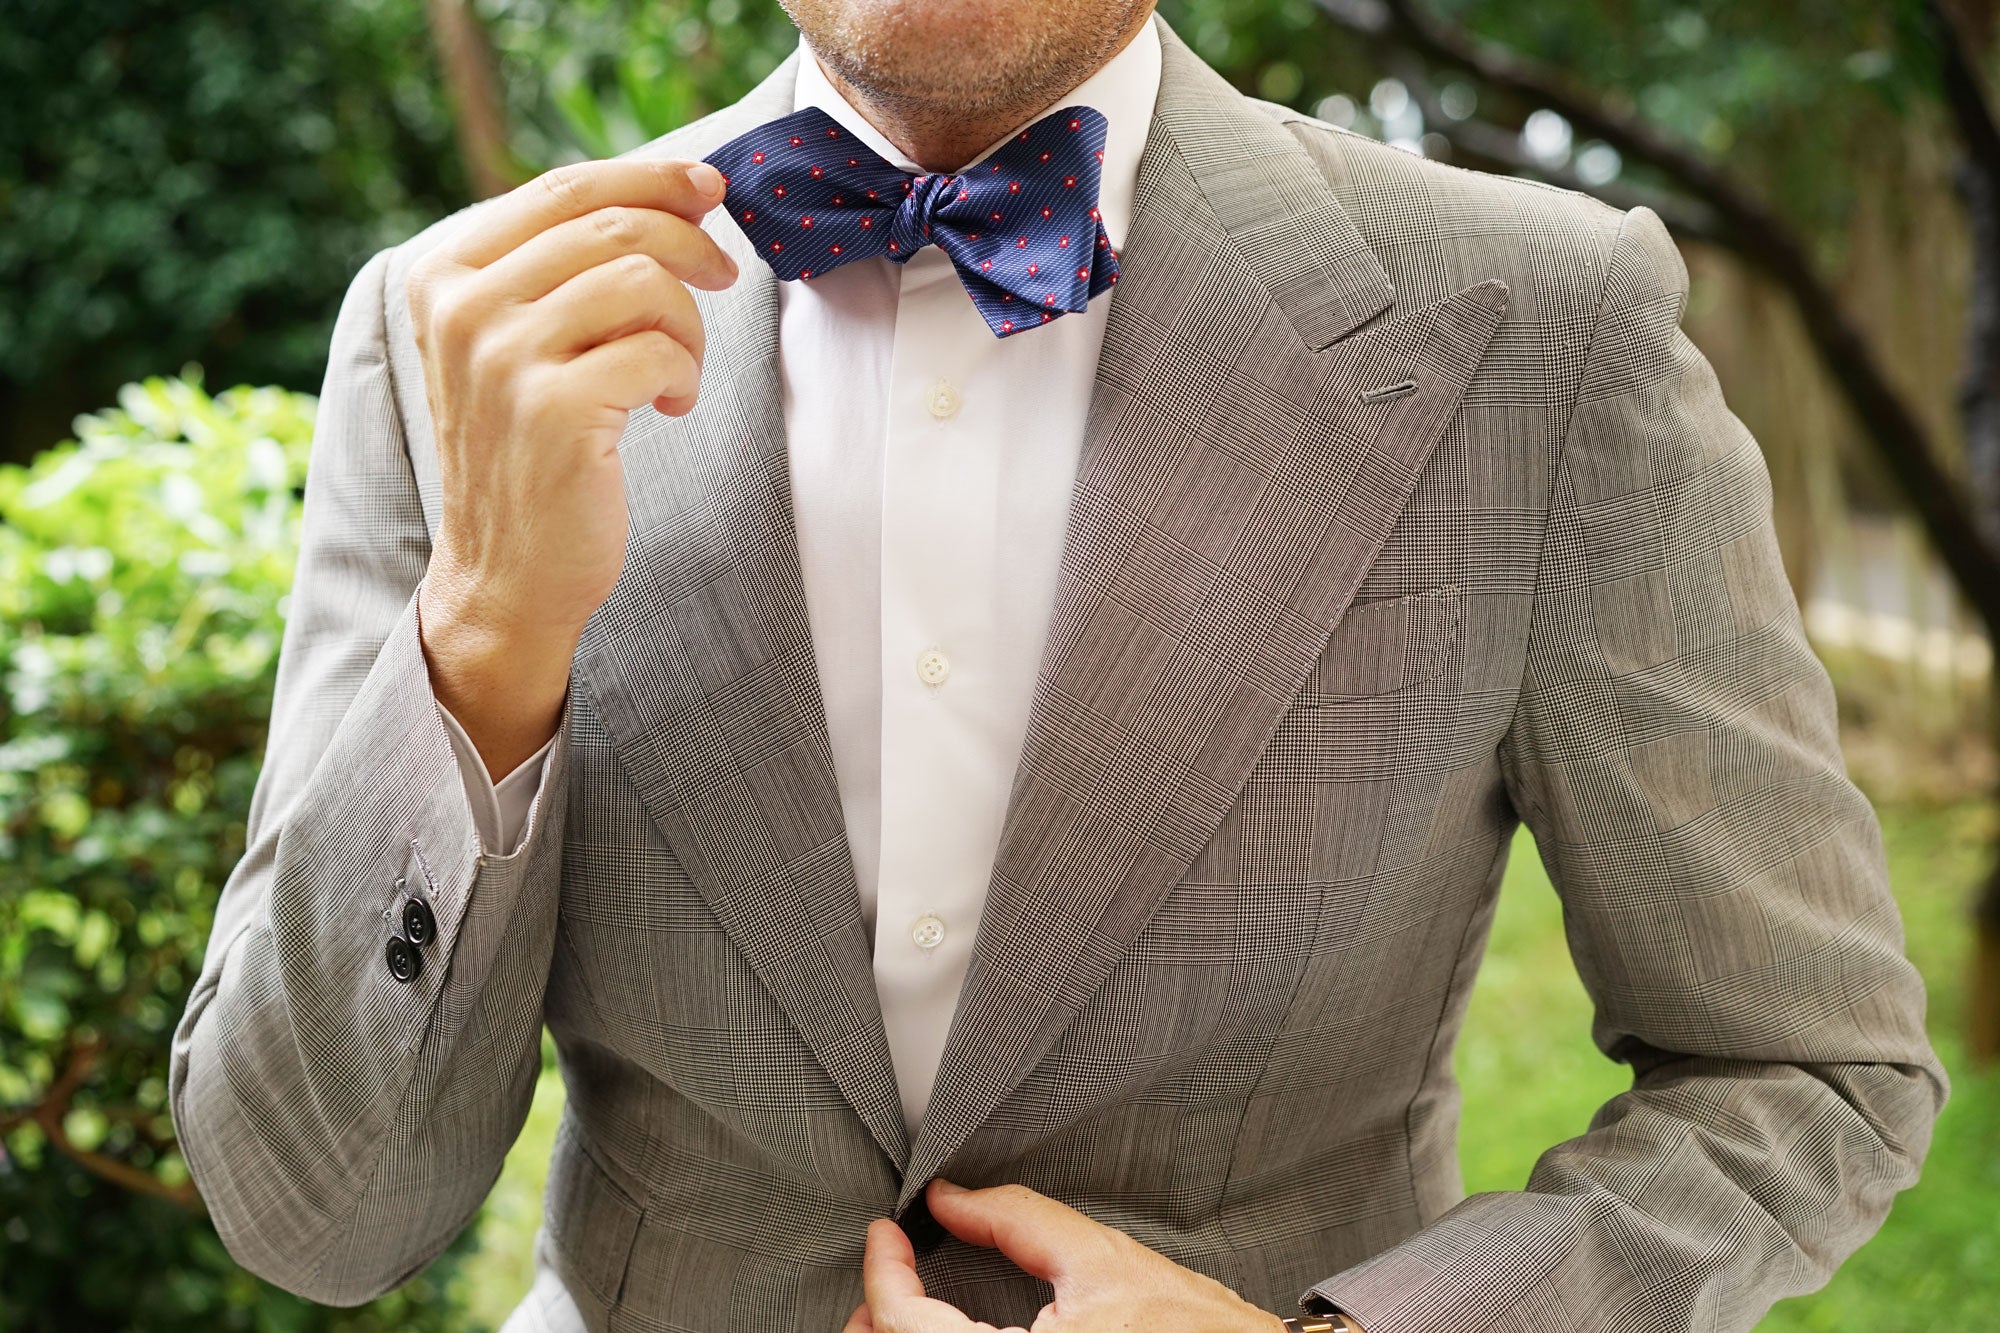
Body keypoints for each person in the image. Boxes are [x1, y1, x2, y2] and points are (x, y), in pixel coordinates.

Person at [168, 2, 1949, 1330]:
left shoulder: (1541, 334)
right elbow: (317, 1213)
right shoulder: (450, 333)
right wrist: (481, 639)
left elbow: (1806, 1069)